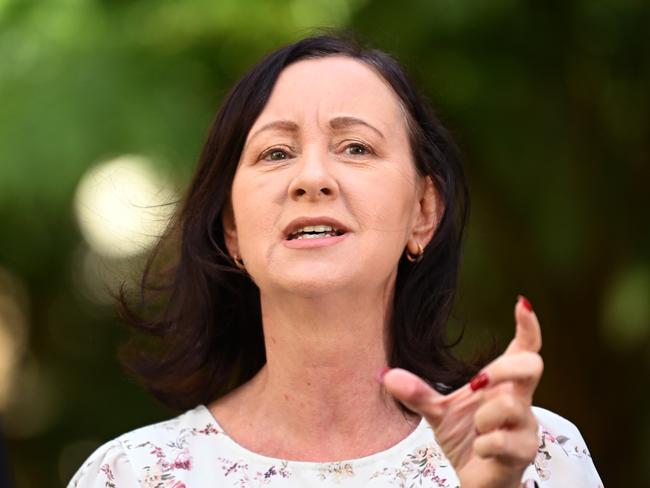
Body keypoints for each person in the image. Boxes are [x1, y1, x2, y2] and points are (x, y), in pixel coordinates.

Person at [68, 34, 603, 487]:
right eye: (276, 153)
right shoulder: (131, 474)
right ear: (231, 228)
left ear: (423, 211)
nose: (312, 178)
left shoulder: (538, 456)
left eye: (356, 148)